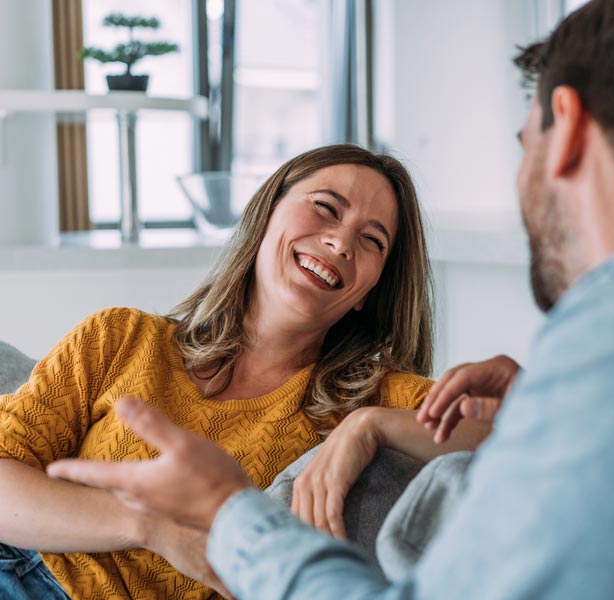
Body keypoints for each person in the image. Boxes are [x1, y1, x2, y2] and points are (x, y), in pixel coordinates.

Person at [48, 0, 614, 598]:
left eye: (521, 141)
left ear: (565, 130)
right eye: (323, 209)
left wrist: (225, 514)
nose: (340, 244)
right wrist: (544, 401)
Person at [0, 144, 489, 600]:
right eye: (326, 207)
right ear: (266, 215)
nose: (341, 242)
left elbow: (516, 439)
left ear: (366, 293)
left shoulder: (374, 398)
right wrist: (150, 527)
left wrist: (370, 425)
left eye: (372, 240)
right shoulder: (120, 336)